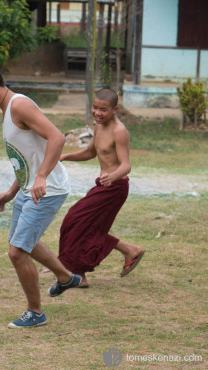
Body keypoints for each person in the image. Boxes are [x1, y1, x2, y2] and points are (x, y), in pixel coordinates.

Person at [0, 60, 81, 328]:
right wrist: (11, 191)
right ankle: (65, 277)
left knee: (17, 252)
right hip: (29, 188)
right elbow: (25, 158)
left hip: (47, 190)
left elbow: (57, 137)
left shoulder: (19, 105)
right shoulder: (7, 112)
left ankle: (36, 312)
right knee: (24, 242)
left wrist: (41, 177)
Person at [57, 88, 144, 287]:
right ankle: (83, 273)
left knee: (75, 219)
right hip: (104, 185)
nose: (97, 112)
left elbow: (126, 165)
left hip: (115, 188)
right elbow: (90, 152)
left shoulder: (119, 131)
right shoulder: (98, 126)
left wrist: (112, 176)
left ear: (115, 109)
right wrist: (65, 156)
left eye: (103, 109)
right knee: (84, 226)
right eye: (95, 107)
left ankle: (78, 273)